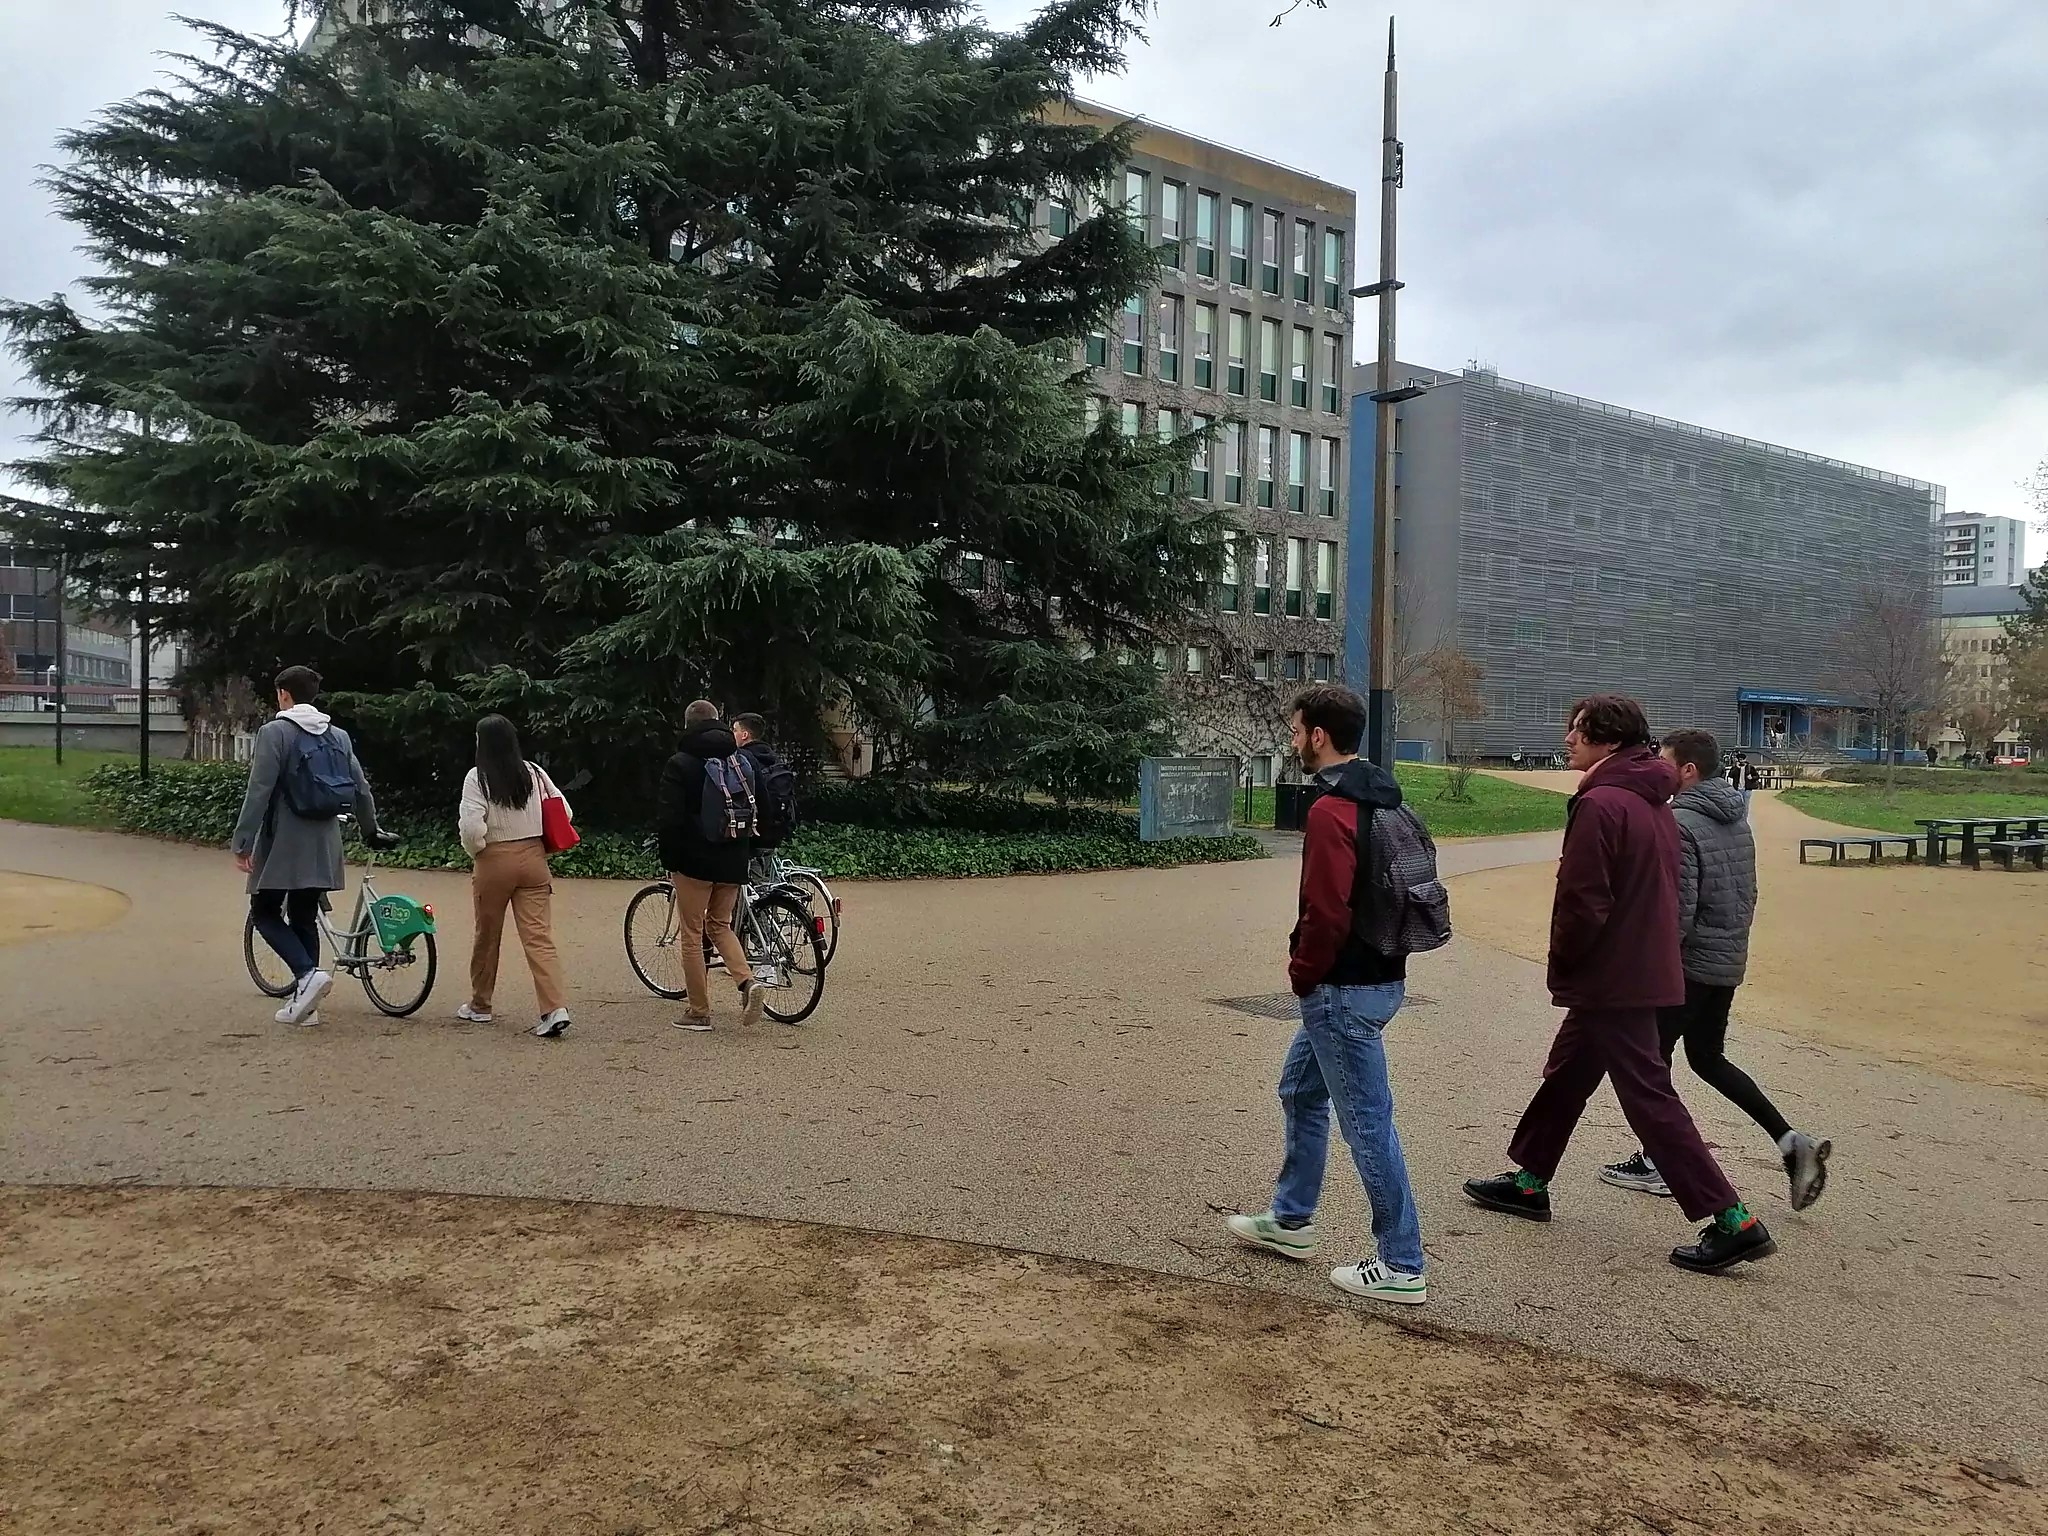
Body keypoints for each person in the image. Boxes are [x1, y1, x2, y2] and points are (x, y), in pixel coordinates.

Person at [1463, 695, 1776, 1274]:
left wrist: (1568, 963)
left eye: (1576, 731)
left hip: (1613, 973)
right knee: (1568, 1072)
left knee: (1647, 1094)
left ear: (1607, 740)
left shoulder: (1603, 801)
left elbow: (1583, 900)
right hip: (1638, 965)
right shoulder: (1650, 799)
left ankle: (1733, 1220)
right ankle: (1530, 1181)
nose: (1567, 740)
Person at [1225, 683, 1429, 1306]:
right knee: (1300, 1090)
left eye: (1294, 731)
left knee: (1368, 1124)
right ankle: (1291, 1219)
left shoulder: (1329, 811)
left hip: (1341, 988)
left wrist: (1302, 974)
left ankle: (1402, 1262)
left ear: (1318, 736)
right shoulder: (1383, 795)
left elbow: (1324, 908)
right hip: (1382, 974)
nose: (1291, 742)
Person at [1602, 729, 1830, 1208]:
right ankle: (1791, 1142)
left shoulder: (1681, 821)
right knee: (1707, 1059)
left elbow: (1677, 911)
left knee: (1648, 1066)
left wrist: (1647, 964)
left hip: (1686, 966)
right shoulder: (1735, 817)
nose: (1657, 769)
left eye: (1665, 762)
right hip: (1724, 960)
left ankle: (1661, 1162)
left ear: (1688, 770)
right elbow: (1745, 893)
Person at [230, 665, 389, 1028]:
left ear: (284, 693)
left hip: (284, 839)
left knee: (265, 912)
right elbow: (360, 788)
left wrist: (242, 841)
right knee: (304, 915)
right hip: (324, 839)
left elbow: (259, 791)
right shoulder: (338, 736)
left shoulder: (275, 733)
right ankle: (308, 1005)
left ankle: (305, 975)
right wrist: (371, 829)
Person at [456, 715, 572, 1039]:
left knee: (487, 934)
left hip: (494, 860)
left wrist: (478, 851)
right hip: (534, 860)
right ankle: (554, 1008)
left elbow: (471, 827)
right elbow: (565, 811)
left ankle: (481, 1005)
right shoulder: (533, 772)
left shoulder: (477, 778)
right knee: (539, 937)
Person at [656, 700, 766, 1031]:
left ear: (687, 724)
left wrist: (669, 859)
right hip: (733, 857)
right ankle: (747, 983)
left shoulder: (681, 763)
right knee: (720, 925)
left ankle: (698, 1012)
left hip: (694, 860)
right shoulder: (740, 759)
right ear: (719, 722)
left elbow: (669, 819)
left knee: (691, 933)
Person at [731, 711, 798, 881]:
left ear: (745, 735)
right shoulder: (773, 757)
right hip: (776, 829)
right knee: (766, 880)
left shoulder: (743, 760)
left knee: (753, 887)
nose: (733, 735)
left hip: (753, 832)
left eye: (734, 730)